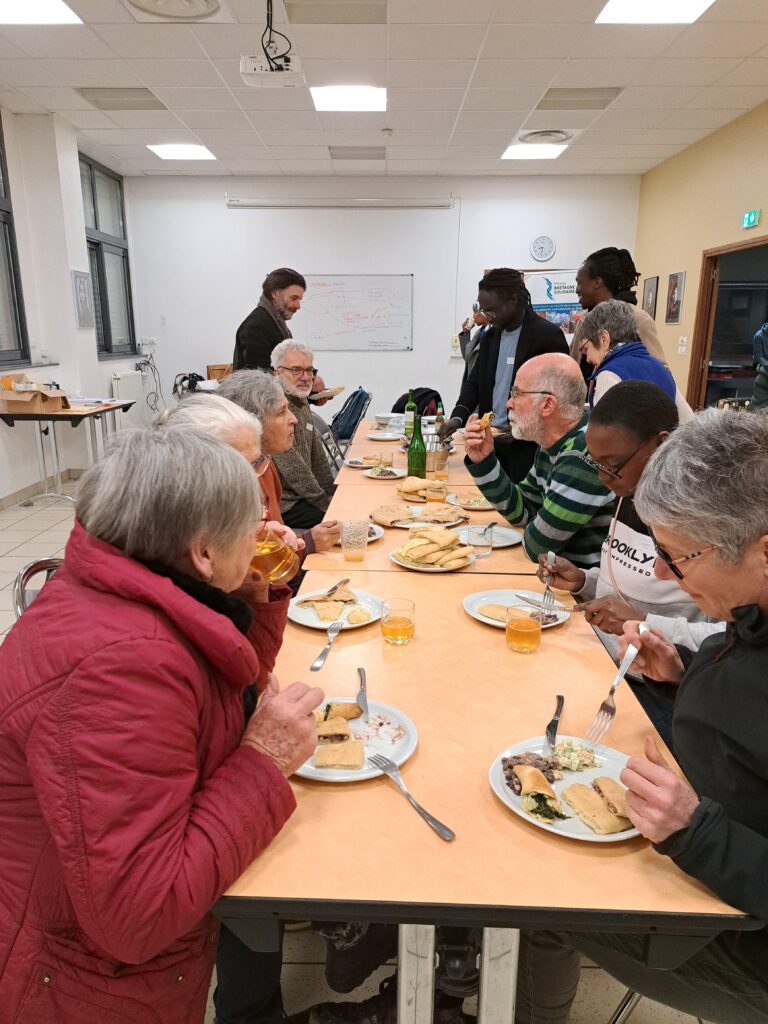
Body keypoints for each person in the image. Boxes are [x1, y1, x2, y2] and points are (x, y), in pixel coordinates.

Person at [0, 427, 323, 1024]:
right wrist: (265, 761)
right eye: (249, 525)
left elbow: (217, 694)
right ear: (202, 551)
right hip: (76, 984)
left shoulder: (136, 582)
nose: (263, 535)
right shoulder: (123, 669)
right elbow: (139, 916)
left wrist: (254, 595)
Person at [514, 408, 768, 1024]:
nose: (660, 573)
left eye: (680, 557)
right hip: (700, 847)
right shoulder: (748, 614)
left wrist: (694, 830)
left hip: (741, 939)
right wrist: (684, 671)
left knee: (526, 900)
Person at [536, 381, 722, 746]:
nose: (603, 478)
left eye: (612, 465)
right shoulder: (629, 493)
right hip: (599, 662)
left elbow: (729, 638)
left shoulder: (697, 521)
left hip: (653, 689)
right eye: (595, 464)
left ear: (659, 444)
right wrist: (583, 582)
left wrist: (644, 625)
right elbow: (623, 584)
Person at [464, 353, 614, 568]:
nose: (508, 403)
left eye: (516, 394)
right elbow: (524, 510)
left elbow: (537, 547)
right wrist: (484, 461)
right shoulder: (554, 442)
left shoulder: (582, 453)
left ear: (547, 405)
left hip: (585, 591)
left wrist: (535, 526)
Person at [440, 268, 569, 482]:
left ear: (514, 300)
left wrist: (525, 428)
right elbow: (474, 383)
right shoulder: (491, 337)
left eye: (492, 309)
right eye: (484, 309)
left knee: (520, 507)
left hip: (529, 447)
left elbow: (560, 395)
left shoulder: (546, 336)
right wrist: (457, 417)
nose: (487, 315)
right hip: (493, 442)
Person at [218, 370, 341, 553]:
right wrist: (308, 543)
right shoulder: (227, 486)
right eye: (282, 412)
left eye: (310, 370)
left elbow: (276, 545)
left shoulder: (265, 466)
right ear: (252, 423)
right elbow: (258, 569)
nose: (294, 419)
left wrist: (306, 542)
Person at [579, 299, 693, 421]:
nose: (588, 359)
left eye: (586, 348)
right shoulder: (661, 369)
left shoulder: (609, 375)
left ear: (603, 339)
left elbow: (605, 431)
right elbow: (689, 421)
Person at [234, 268, 330, 404]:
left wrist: (310, 394)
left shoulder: (273, 322)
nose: (298, 306)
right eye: (294, 298)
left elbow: (282, 376)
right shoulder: (256, 326)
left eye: (299, 299)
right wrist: (309, 383)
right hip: (262, 413)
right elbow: (261, 381)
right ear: (275, 293)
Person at [570, 247, 665, 380]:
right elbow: (573, 367)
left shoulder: (639, 319)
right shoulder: (584, 321)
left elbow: (659, 372)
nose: (577, 290)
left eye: (579, 282)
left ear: (597, 282)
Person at [270, 340, 337, 530]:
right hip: (287, 505)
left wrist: (330, 490)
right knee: (343, 519)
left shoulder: (300, 399)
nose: (306, 377)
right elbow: (294, 470)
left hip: (304, 496)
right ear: (277, 372)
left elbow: (317, 453)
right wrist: (324, 501)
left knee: (347, 504)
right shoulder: (275, 408)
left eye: (309, 370)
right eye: (296, 370)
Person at [458, 304, 489, 385]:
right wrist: (466, 333)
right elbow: (468, 358)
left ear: (484, 313)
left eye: (475, 312)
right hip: (472, 383)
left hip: (482, 383)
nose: (473, 316)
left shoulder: (493, 334)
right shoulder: (480, 332)